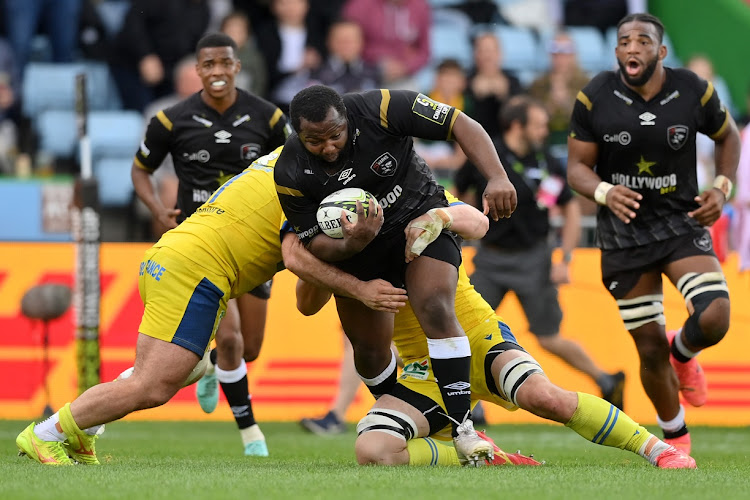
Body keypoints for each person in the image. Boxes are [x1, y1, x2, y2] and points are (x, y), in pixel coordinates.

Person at [16, 147, 409, 466]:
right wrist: (355, 272)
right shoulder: (308, 187)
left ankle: (80, 429)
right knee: (153, 384)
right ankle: (45, 435)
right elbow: (302, 283)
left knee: (184, 368)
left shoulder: (285, 163)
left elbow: (306, 288)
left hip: (184, 258)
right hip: (195, 270)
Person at [289, 193, 696, 469]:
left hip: (479, 339)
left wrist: (440, 216)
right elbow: (305, 305)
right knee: (372, 449)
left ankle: (658, 449)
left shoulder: (407, 199)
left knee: (545, 397)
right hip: (423, 368)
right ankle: (484, 456)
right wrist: (337, 255)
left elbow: (478, 220)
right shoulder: (339, 241)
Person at [274, 84, 517, 464]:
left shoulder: (385, 107)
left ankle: (463, 429)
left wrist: (497, 176)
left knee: (434, 305)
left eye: (335, 135)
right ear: (297, 134)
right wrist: (354, 243)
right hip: (359, 252)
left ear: (347, 120)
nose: (328, 147)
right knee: (368, 352)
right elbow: (315, 243)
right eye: (314, 141)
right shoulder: (289, 170)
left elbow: (461, 123)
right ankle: (404, 413)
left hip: (419, 223)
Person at [567, 13, 740, 454]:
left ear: (661, 52)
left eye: (642, 41)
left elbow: (728, 136)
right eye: (624, 41)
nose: (631, 48)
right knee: (647, 349)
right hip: (624, 235)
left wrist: (722, 187)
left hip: (681, 223)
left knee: (716, 316)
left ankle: (682, 353)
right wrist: (605, 191)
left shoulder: (693, 90)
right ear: (616, 52)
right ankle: (677, 443)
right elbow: (576, 169)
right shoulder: (595, 97)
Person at [130, 33, 292, 456]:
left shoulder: (269, 118)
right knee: (234, 338)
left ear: (237, 67)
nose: (217, 72)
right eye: (209, 65)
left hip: (255, 246)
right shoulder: (170, 121)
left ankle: (208, 363)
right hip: (202, 243)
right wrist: (155, 209)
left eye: (225, 63)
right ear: (196, 71)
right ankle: (250, 433)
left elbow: (297, 169)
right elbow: (140, 171)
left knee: (248, 348)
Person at [455, 95, 627, 410]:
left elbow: (571, 209)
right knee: (463, 332)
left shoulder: (547, 161)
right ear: (517, 126)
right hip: (491, 258)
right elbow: (460, 200)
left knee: (548, 337)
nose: (544, 132)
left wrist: (566, 258)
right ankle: (472, 405)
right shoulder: (483, 155)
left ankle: (606, 380)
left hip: (534, 259)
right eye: (538, 125)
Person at [342, 0, 431, 90]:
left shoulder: (420, 6)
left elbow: (425, 52)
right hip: (362, 74)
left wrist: (406, 67)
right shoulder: (360, 5)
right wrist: (377, 61)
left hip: (403, 77)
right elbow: (345, 44)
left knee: (410, 97)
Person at [466, 31, 522, 140]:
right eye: (482, 50)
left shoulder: (513, 81)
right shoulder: (465, 81)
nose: (487, 56)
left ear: (500, 54)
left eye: (491, 50)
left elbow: (520, 115)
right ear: (475, 54)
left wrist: (505, 95)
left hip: (505, 142)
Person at [309, 20, 381, 94]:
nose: (346, 45)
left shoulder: (374, 73)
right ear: (328, 42)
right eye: (340, 41)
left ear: (361, 42)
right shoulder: (316, 73)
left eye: (351, 41)